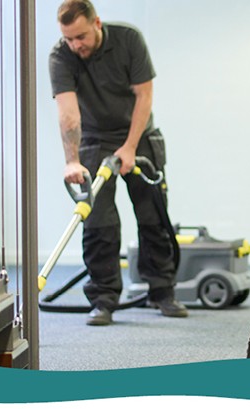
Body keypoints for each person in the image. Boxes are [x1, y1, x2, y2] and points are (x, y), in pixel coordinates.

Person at [48, 0, 187, 326]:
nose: (75, 45)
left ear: (96, 23)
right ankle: (104, 299)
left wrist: (129, 147)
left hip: (139, 136)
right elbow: (68, 113)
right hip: (95, 141)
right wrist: (72, 160)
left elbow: (144, 96)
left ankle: (162, 292)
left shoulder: (128, 39)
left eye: (80, 36)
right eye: (68, 38)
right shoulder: (61, 55)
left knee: (153, 217)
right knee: (98, 223)